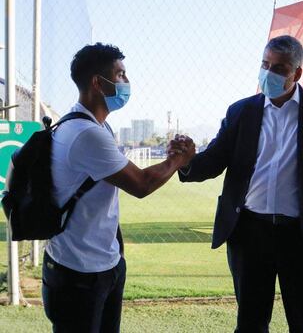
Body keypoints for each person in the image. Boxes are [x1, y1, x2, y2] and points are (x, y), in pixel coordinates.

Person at [170, 35, 303, 332]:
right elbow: (215, 160)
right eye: (265, 64)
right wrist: (188, 161)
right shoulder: (242, 111)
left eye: (279, 68)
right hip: (250, 234)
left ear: (297, 73)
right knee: (250, 324)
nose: (269, 73)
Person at [42, 42, 195, 333]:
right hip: (81, 273)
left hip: (102, 264)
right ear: (98, 83)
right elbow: (140, 184)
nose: (126, 82)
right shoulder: (86, 134)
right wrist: (179, 160)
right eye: (121, 74)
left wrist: (170, 159)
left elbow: (123, 175)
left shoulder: (92, 126)